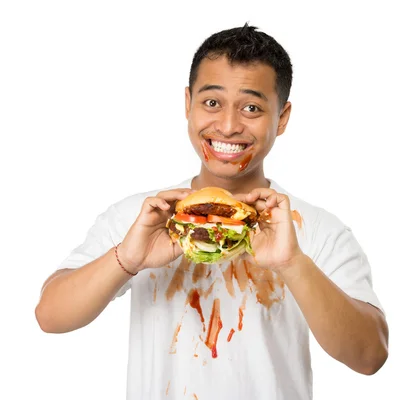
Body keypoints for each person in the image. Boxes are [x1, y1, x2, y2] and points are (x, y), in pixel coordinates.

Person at [35, 24, 389, 400]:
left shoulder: (316, 228)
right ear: (188, 103)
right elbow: (50, 317)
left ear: (281, 118)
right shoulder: (144, 217)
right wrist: (128, 257)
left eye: (251, 107)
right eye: (211, 102)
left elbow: (370, 356)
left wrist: (292, 263)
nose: (228, 125)